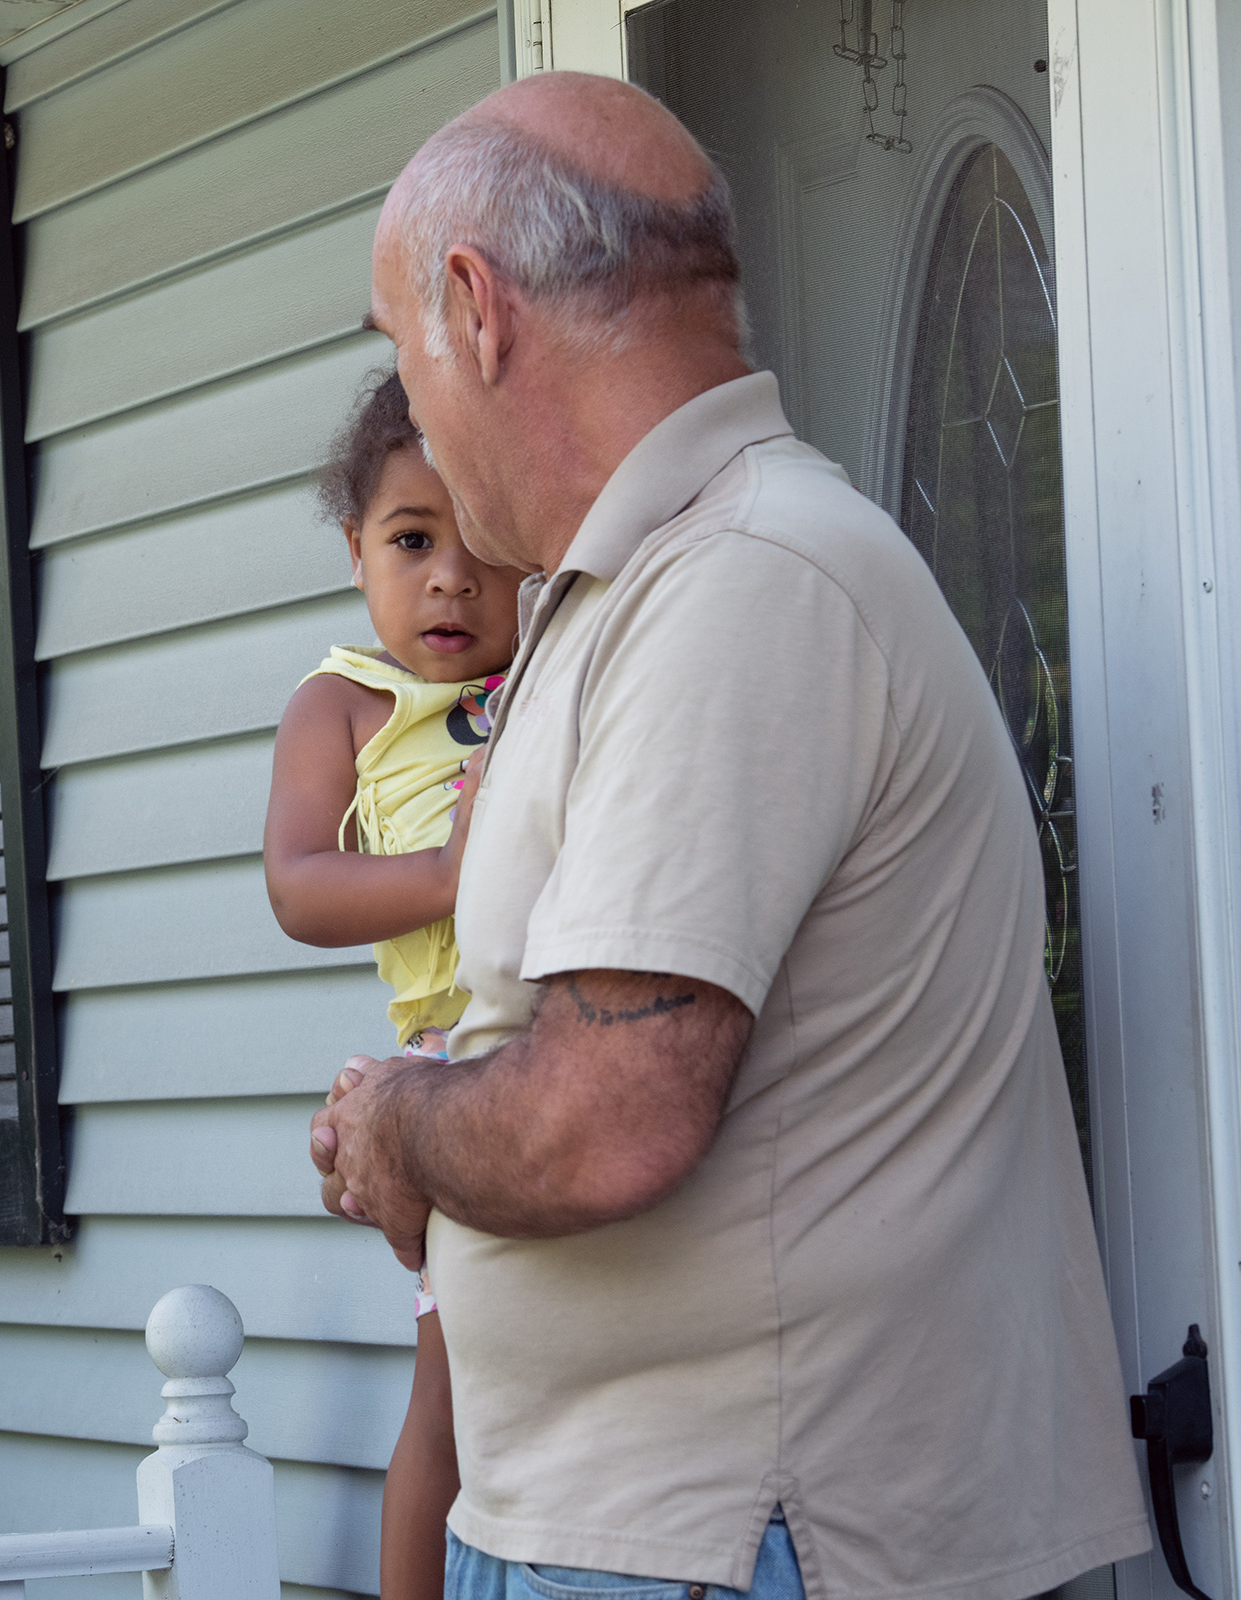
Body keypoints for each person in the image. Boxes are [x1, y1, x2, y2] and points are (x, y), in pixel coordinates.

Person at [311, 72, 1148, 1600]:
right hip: (671, 1530)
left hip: (748, 1539)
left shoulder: (744, 584)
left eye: (402, 352)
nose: (415, 410)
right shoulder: (629, 593)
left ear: (474, 310)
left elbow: (603, 1118)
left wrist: (394, 1127)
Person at [262, 369, 519, 1599]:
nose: (451, 578)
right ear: (354, 545)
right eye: (413, 539)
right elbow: (301, 885)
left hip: (574, 1031)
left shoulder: (558, 664)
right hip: (451, 1064)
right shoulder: (347, 705)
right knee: (455, 1381)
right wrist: (448, 870)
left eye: (482, 543)